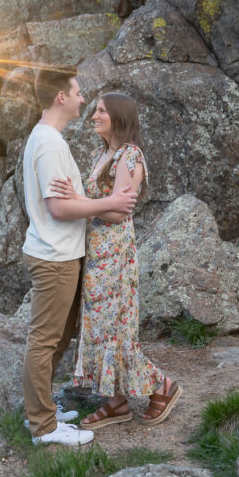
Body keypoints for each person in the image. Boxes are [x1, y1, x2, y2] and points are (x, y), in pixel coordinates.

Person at [21, 68, 139, 447]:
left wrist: (80, 197)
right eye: (76, 93)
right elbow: (58, 208)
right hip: (54, 256)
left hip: (63, 254)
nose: (83, 100)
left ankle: (43, 412)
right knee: (44, 341)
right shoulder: (51, 144)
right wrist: (108, 202)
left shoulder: (49, 140)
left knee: (57, 339)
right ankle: (43, 427)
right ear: (60, 97)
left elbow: (66, 200)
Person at [50, 93, 181, 430]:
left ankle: (161, 387)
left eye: (101, 111)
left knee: (115, 329)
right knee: (99, 327)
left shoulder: (130, 156)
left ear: (119, 117)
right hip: (95, 250)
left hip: (115, 252)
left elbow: (117, 210)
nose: (94, 115)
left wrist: (78, 199)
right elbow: (103, 203)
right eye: (94, 109)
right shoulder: (102, 154)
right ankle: (115, 401)